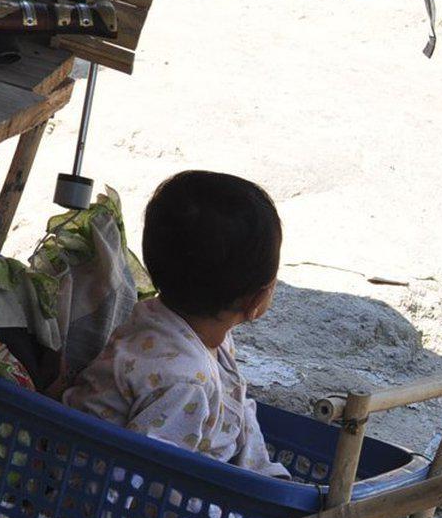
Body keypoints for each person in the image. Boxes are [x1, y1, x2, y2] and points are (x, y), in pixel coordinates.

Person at [65, 170, 291, 478]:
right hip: (101, 500)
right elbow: (145, 486)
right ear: (256, 299)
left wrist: (266, 475)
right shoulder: (185, 384)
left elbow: (237, 410)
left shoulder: (163, 319)